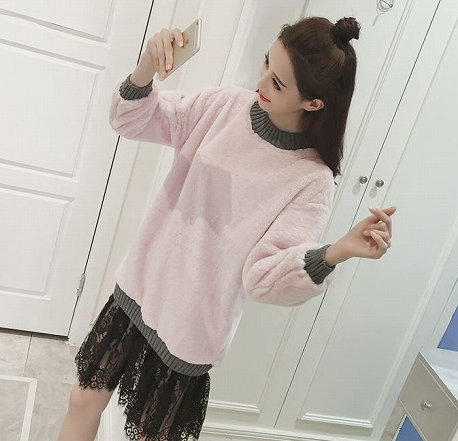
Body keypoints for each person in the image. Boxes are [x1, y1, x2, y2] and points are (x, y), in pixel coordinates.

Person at [57, 16, 396, 441]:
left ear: (313, 103)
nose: (261, 82)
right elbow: (133, 121)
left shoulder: (311, 180)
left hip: (193, 325)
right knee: (82, 400)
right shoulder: (224, 106)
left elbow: (263, 279)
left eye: (278, 83)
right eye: (266, 63)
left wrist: (334, 252)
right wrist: (146, 66)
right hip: (142, 283)